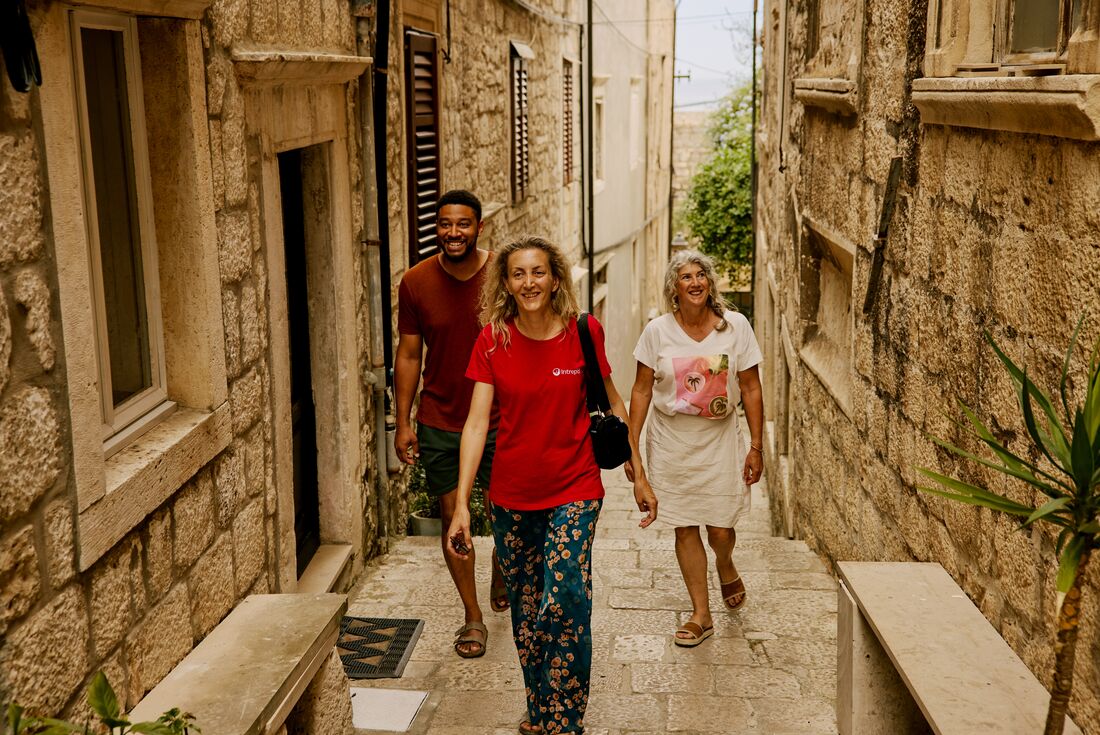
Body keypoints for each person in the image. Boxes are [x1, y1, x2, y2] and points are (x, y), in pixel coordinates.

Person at [446, 236, 656, 735]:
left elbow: (612, 401)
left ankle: (564, 721)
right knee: (526, 605)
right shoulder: (493, 341)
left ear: (555, 278)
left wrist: (638, 472)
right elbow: (477, 425)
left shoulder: (584, 332)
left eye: (538, 272)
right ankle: (540, 707)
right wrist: (460, 506)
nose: (529, 283)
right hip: (512, 496)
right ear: (506, 284)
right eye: (518, 274)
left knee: (563, 597)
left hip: (576, 486)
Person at [626, 249, 764, 647]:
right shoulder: (657, 332)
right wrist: (632, 448)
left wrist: (756, 446)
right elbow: (641, 389)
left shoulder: (734, 326)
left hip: (720, 441)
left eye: (701, 274)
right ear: (674, 288)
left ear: (710, 283)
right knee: (685, 526)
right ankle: (701, 614)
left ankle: (725, 562)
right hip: (671, 442)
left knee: (720, 528)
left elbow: (751, 387)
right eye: (685, 276)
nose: (695, 281)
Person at [394, 189, 509, 659]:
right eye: (445, 224)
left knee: (509, 512)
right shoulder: (416, 282)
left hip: (504, 417)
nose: (453, 232)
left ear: (479, 227)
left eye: (463, 224)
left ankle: (504, 571)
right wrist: (403, 422)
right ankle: (472, 615)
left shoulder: (503, 273)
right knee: (450, 517)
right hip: (442, 417)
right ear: (435, 227)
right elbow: (408, 353)